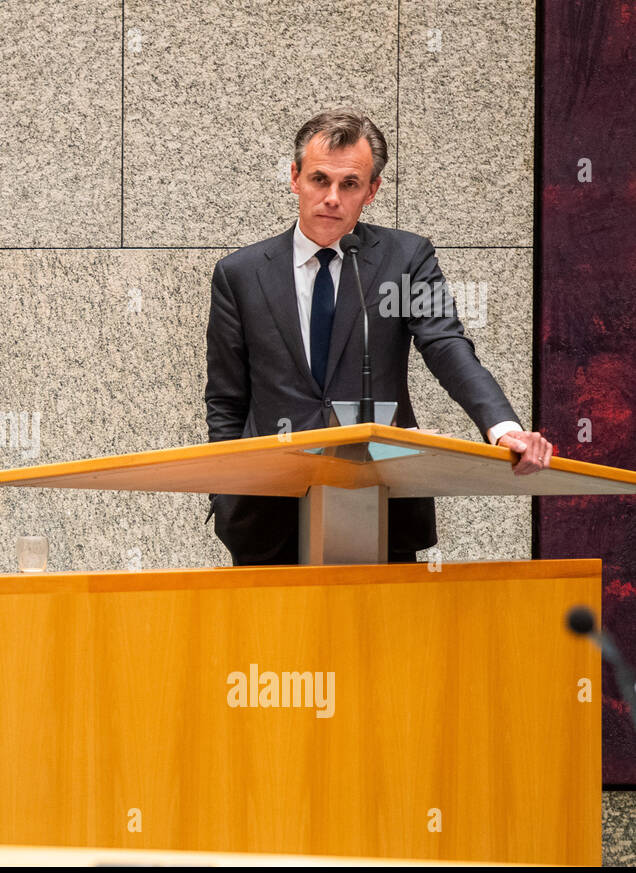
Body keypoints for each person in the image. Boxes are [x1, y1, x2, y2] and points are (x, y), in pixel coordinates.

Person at [204, 109, 552, 566]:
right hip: (268, 512)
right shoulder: (241, 274)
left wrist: (502, 428)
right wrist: (227, 491)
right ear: (294, 178)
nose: (331, 197)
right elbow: (226, 401)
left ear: (372, 190)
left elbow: (445, 344)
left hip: (383, 503)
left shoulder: (404, 259)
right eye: (318, 179)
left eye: (349, 184)